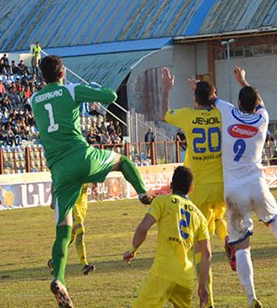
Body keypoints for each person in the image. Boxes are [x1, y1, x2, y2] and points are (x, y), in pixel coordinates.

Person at [30, 55, 152, 307]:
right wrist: (94, 88)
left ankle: (59, 279)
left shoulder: (33, 100)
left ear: (42, 77)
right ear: (63, 73)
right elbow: (111, 96)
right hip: (82, 156)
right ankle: (141, 193)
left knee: (63, 231)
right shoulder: (70, 90)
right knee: (122, 161)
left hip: (59, 170)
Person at [213, 67, 277, 307]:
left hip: (234, 191)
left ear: (238, 103)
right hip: (257, 184)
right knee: (273, 218)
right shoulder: (263, 118)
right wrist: (244, 81)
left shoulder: (228, 112)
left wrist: (197, 88)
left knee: (241, 248)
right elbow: (257, 101)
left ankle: (251, 297)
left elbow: (210, 98)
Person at [160, 67, 227, 305]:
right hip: (221, 185)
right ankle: (228, 238)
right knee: (217, 219)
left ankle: (205, 298)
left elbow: (163, 114)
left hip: (197, 189)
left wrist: (167, 88)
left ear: (194, 98)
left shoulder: (188, 115)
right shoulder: (222, 115)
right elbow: (218, 105)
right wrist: (203, 93)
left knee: (200, 247)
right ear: (214, 96)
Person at [124, 166, 211, 308]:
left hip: (163, 272)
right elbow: (206, 253)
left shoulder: (162, 202)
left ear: (171, 185)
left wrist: (132, 249)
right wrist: (202, 285)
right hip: (186, 278)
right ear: (191, 188)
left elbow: (143, 228)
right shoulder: (199, 216)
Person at [48, 183, 97, 277]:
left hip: (83, 205)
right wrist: (53, 199)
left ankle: (54, 261)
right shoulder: (66, 168)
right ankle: (85, 264)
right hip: (72, 204)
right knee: (80, 231)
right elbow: (54, 181)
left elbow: (93, 172)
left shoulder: (86, 168)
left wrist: (95, 184)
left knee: (70, 236)